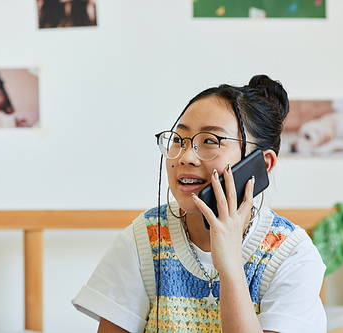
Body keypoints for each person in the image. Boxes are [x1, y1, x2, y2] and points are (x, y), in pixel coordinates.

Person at [71, 75, 327, 332]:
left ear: (262, 164)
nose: (186, 157)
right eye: (179, 140)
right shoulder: (144, 239)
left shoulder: (292, 255)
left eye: (210, 141)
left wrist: (230, 264)